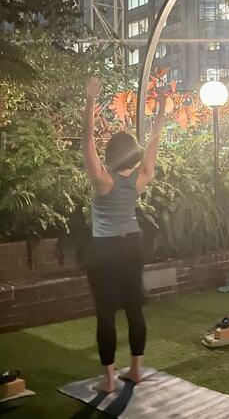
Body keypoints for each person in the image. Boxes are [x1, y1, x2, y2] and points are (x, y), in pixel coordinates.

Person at [82, 76, 167, 392]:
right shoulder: (141, 178)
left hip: (105, 248)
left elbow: (87, 140)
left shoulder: (104, 181)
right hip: (133, 244)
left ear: (111, 154)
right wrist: (160, 107)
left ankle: (108, 379)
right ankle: (136, 370)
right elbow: (156, 140)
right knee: (134, 306)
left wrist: (91, 98)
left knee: (105, 312)